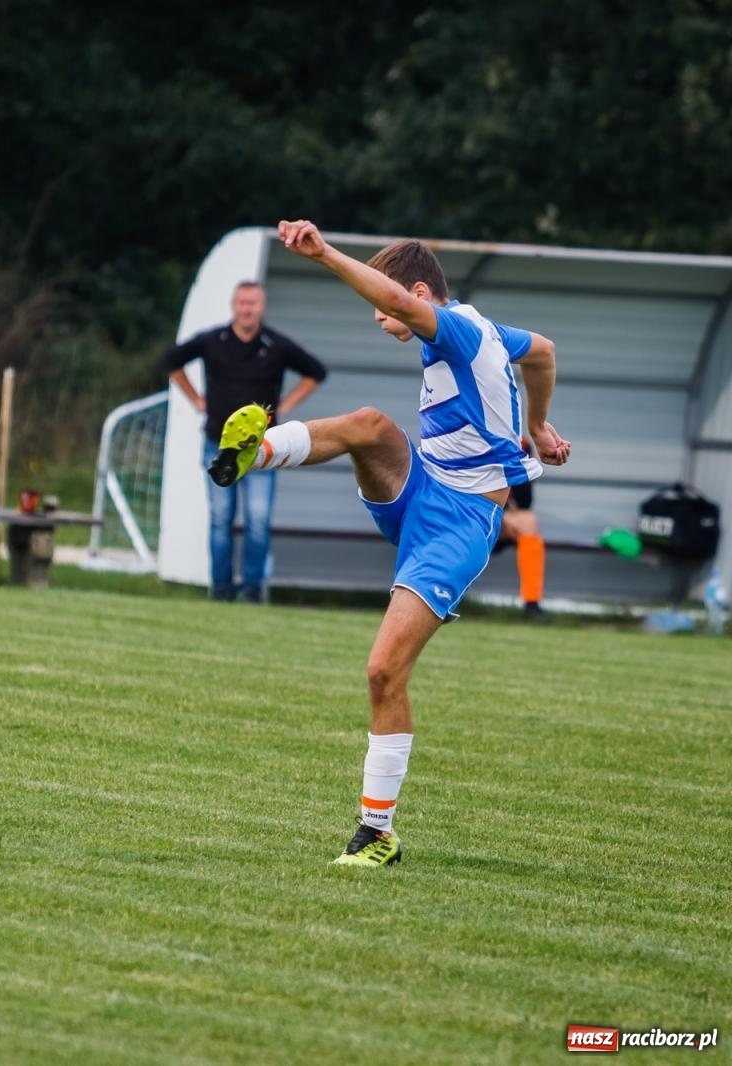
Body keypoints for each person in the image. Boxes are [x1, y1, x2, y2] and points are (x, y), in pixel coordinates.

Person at [209, 220, 570, 867]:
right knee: (371, 425)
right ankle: (254, 450)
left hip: (461, 526)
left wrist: (322, 254)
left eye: (386, 303)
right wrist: (538, 426)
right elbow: (541, 351)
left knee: (383, 670)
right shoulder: (482, 330)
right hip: (423, 489)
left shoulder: (454, 325)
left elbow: (406, 306)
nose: (380, 316)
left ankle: (377, 834)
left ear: (422, 293)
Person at [163, 280, 327, 602]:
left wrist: (286, 405)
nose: (246, 309)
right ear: (233, 305)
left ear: (261, 307)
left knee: (257, 520)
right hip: (218, 445)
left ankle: (251, 589)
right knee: (221, 519)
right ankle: (220, 588)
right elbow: (172, 361)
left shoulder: (276, 345)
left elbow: (316, 371)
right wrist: (197, 399)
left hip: (262, 449)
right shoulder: (213, 341)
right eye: (241, 303)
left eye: (252, 303)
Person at [495, 446, 549, 622]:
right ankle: (442, 598)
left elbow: (525, 503)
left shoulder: (519, 448)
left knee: (528, 521)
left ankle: (531, 605)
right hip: (469, 515)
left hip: (502, 524)